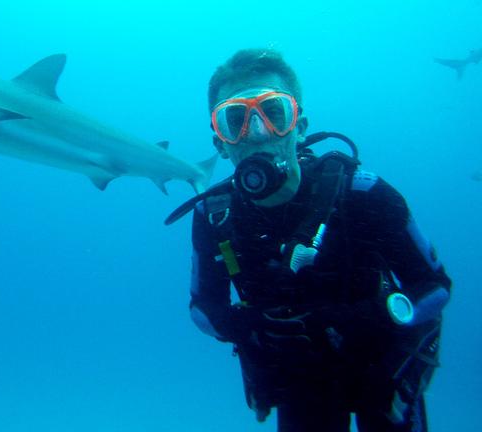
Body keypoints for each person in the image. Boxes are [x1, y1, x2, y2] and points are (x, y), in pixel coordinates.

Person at [173, 49, 451, 431]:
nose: (256, 133)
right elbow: (203, 308)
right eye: (234, 120)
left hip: (382, 373)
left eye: (274, 113)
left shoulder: (364, 195)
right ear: (220, 143)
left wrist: (362, 317)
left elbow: (435, 288)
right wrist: (249, 325)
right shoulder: (215, 214)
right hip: (302, 381)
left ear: (299, 125)